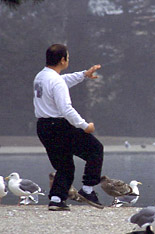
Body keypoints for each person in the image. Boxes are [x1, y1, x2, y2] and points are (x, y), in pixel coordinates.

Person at [34, 44, 104, 211]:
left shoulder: (41, 77)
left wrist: (83, 75)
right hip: (58, 126)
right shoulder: (55, 81)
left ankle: (56, 200)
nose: (68, 60)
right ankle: (87, 190)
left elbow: (62, 81)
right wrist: (85, 126)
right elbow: (66, 109)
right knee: (95, 149)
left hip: (43, 127)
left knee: (64, 165)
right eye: (68, 58)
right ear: (62, 60)